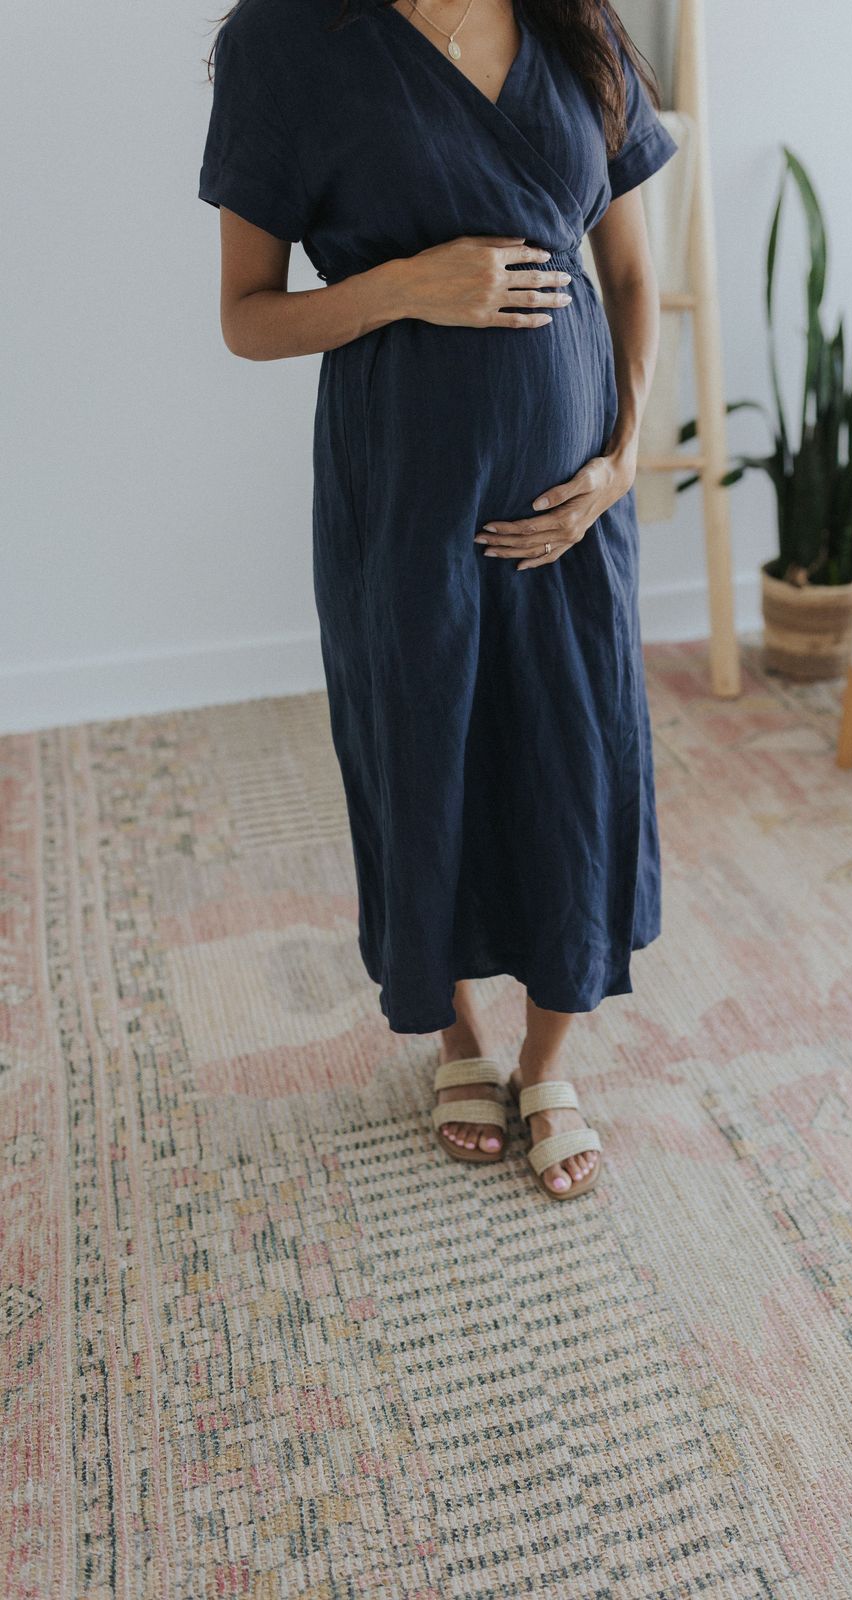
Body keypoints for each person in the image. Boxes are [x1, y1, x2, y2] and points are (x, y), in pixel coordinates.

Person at [198, 0, 678, 1199]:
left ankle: (550, 1054)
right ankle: (457, 1032)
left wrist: (620, 461)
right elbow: (246, 317)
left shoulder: (578, 25)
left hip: (574, 510)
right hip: (404, 493)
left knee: (578, 759)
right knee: (422, 749)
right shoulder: (286, 40)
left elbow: (626, 269)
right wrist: (407, 285)